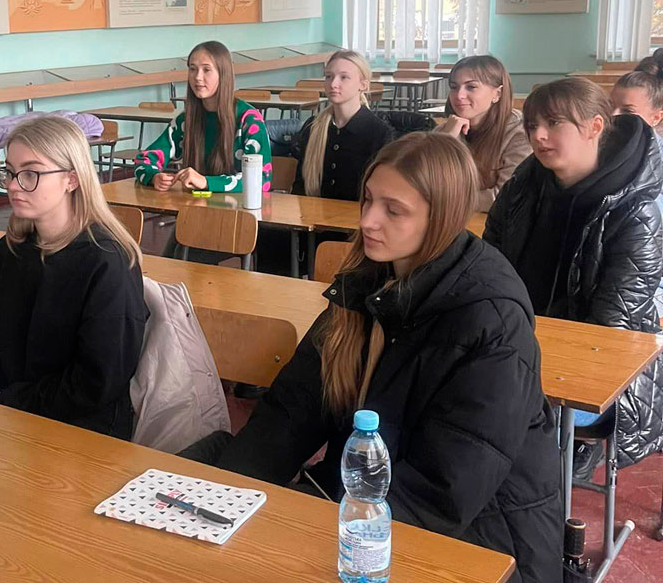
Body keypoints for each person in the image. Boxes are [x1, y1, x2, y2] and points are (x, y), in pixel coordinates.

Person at [200, 133, 561, 583]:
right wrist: (229, 497)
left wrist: (324, 536)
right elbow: (291, 410)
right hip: (366, 515)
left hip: (486, 543)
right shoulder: (367, 282)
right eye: (368, 199)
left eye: (394, 210)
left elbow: (441, 495)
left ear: (441, 218)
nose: (368, 220)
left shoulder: (491, 323)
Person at [484, 77, 663, 473]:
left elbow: (611, 332)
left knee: (490, 407)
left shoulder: (636, 212)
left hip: (595, 370)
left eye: (554, 124)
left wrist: (521, 361)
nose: (538, 136)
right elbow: (489, 269)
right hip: (515, 343)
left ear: (595, 126)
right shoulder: (523, 187)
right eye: (532, 125)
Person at [0, 117, 146, 439]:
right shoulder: (8, 252)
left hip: (82, 429)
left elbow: (95, 383)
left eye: (31, 174)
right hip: (10, 414)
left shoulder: (107, 263)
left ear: (71, 179)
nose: (13, 185)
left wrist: (8, 403)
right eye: (10, 172)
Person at [135, 40, 272, 193]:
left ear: (223, 74)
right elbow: (145, 159)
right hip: (196, 204)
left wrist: (207, 182)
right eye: (192, 69)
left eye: (206, 70)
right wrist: (153, 177)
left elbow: (261, 179)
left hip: (240, 206)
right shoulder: (186, 119)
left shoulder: (249, 120)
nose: (198, 77)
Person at [292, 50, 393, 199]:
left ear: (363, 85)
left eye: (344, 77)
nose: (333, 84)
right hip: (315, 211)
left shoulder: (379, 133)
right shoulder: (313, 127)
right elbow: (300, 188)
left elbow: (381, 192)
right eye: (328, 76)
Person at [435, 55, 530, 211]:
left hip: (493, 223)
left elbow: (506, 197)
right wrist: (446, 142)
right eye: (454, 87)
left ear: (497, 94)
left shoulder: (519, 134)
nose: (459, 95)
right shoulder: (445, 131)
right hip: (452, 218)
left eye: (471, 87)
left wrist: (446, 199)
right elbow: (422, 183)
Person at [611, 59, 663, 316]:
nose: (614, 116)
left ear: (656, 117)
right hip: (612, 271)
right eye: (610, 107)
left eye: (627, 111)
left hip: (651, 283)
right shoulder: (603, 155)